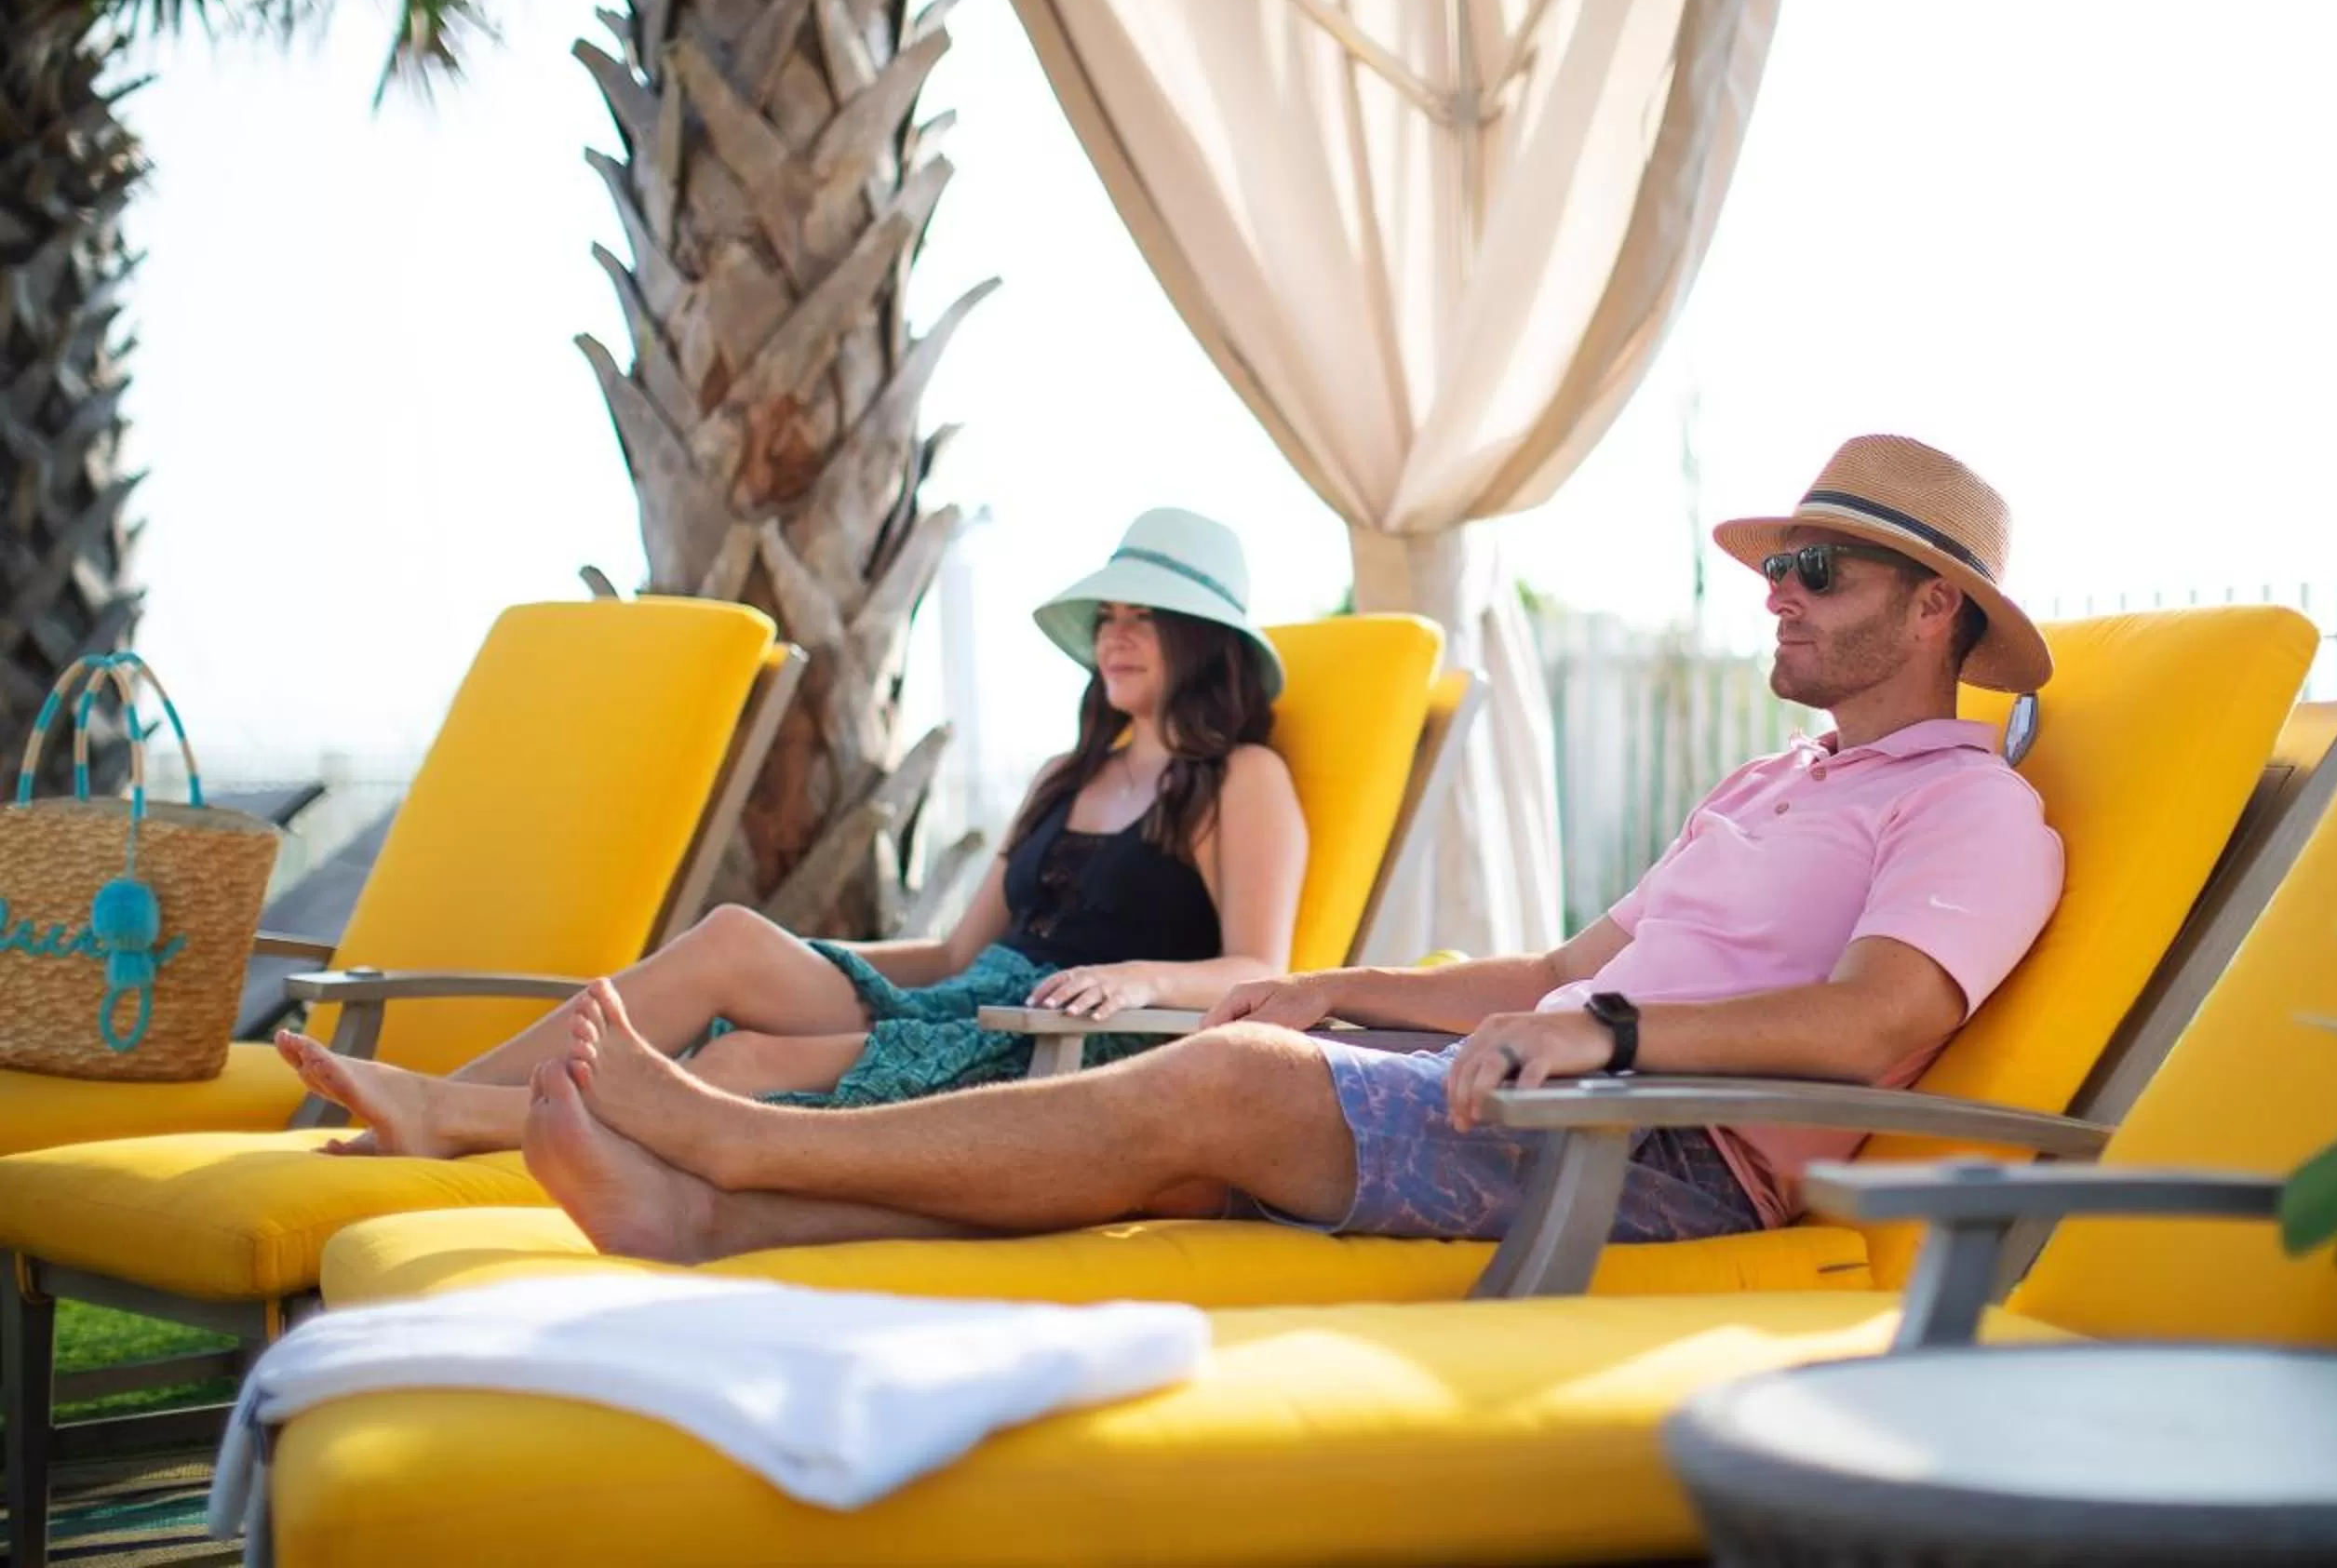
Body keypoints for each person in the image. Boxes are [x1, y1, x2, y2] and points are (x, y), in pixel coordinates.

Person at [516, 435, 2068, 1265]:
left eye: (1817, 570)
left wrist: (1603, 1033)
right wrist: (1335, 989)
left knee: (1216, 1094)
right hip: (1586, 1094)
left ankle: (731, 1141)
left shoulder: (1972, 808)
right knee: (1196, 1143)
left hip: (1667, 1158)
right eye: (1779, 565)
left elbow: (1876, 1024)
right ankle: (711, 1219)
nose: (1776, 590)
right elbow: (1546, 971)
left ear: (1934, 610)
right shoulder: (1763, 782)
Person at [275, 507, 1310, 1159]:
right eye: (1110, 618)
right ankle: (434, 1101)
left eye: (1145, 617)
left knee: (749, 1062)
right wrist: (798, 959)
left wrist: (1140, 974)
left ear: (1201, 641)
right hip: (969, 995)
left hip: (1063, 1052)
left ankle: (448, 1122)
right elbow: (954, 952)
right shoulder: (1065, 774)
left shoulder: (1240, 781)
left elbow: (1266, 965)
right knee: (732, 936)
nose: (1115, 638)